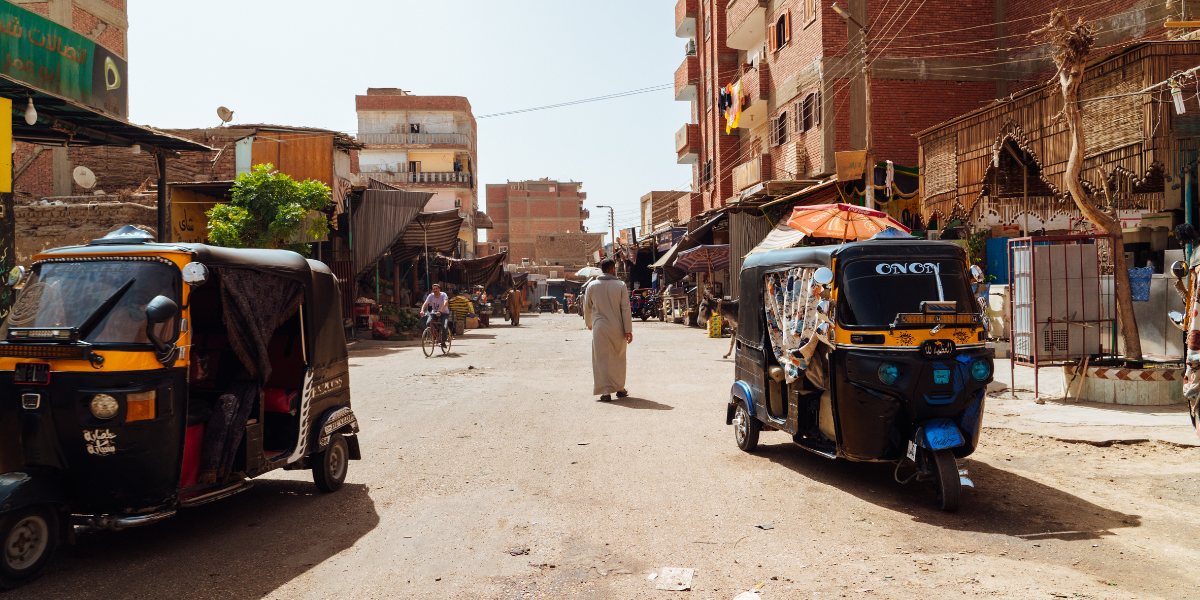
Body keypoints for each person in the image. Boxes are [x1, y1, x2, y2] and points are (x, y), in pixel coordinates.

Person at [584, 259, 632, 402]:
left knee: (601, 359)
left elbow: (587, 308)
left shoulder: (591, 286)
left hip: (599, 328)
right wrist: (628, 330)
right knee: (618, 358)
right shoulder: (620, 285)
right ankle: (620, 389)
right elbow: (625, 309)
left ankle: (605, 392)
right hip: (617, 327)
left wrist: (589, 323)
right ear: (612, 269)